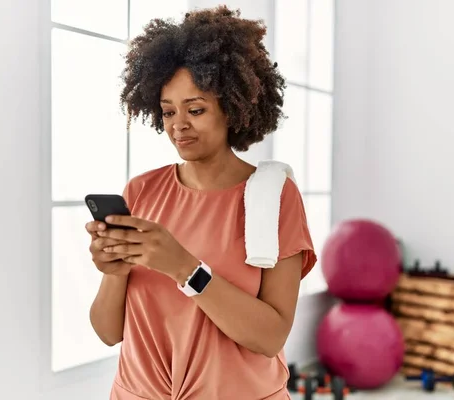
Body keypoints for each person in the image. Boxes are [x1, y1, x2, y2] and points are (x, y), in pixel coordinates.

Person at [86, 6, 317, 400]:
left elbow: (270, 337)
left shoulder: (273, 196)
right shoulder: (142, 191)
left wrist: (184, 267)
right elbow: (108, 332)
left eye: (195, 110)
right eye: (168, 112)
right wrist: (115, 270)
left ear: (233, 106)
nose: (179, 125)